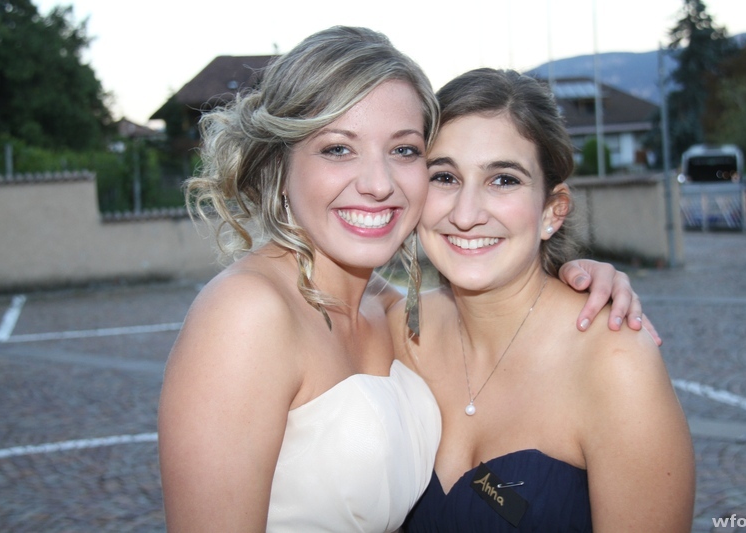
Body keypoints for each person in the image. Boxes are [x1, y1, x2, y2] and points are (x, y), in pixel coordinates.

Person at [158, 27, 656, 532]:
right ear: (279, 166)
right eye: (338, 149)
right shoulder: (246, 313)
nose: (378, 184)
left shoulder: (394, 314)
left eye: (403, 151)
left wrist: (578, 274)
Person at [396, 69, 695, 532]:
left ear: (552, 212)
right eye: (445, 177)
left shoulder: (613, 361)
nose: (466, 214)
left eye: (503, 180)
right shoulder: (397, 333)